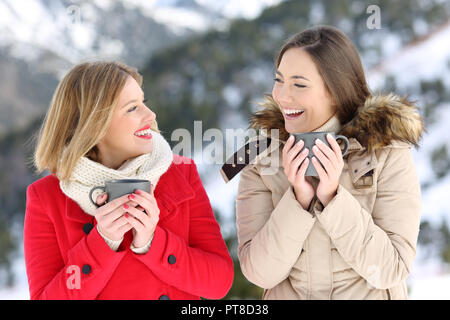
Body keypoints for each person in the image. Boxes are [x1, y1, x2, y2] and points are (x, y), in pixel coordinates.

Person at [222, 25, 424, 299]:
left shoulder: (387, 152)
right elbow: (260, 273)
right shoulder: (261, 160)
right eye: (279, 80)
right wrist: (298, 200)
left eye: (299, 84)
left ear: (335, 91)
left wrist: (333, 199)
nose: (281, 95)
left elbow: (391, 268)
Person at [24, 61, 234, 300]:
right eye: (132, 108)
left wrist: (153, 243)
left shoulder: (180, 172)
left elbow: (219, 281)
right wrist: (102, 243)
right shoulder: (46, 197)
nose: (150, 115)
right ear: (94, 125)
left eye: (143, 102)